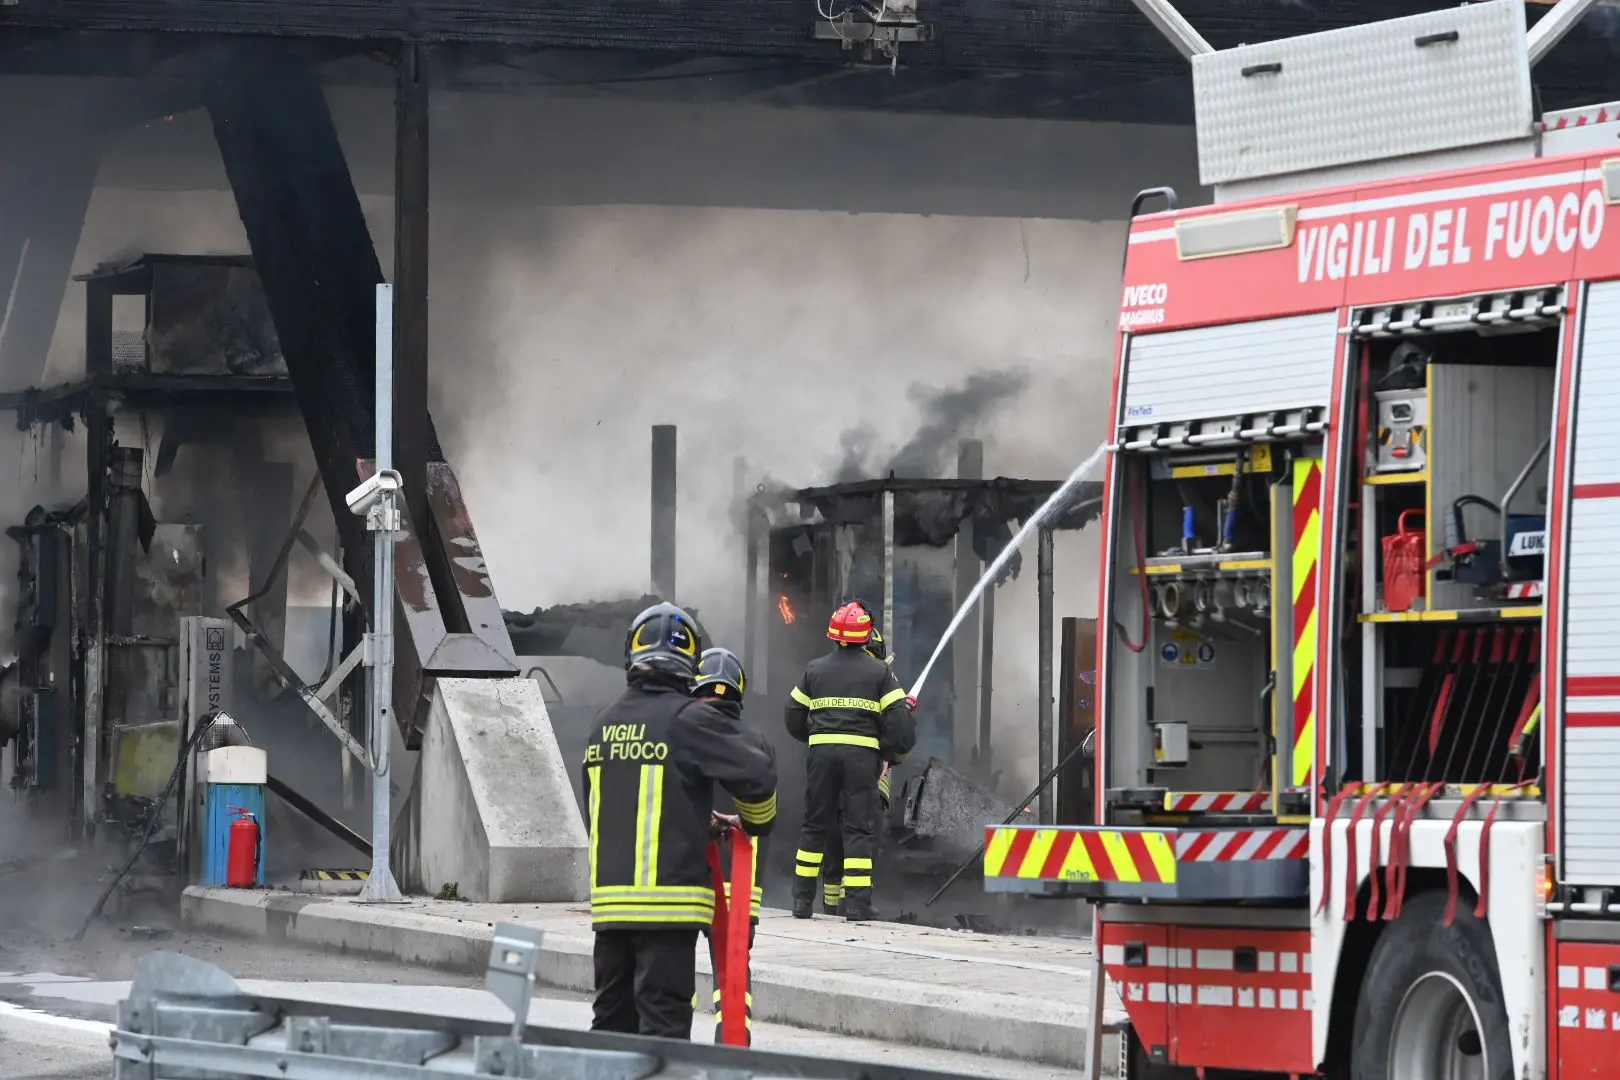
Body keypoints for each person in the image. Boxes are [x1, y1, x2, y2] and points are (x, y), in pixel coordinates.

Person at [585, 603, 778, 1040]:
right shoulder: (689, 720)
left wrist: (690, 817)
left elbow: (605, 808)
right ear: (688, 662)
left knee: (610, 1029)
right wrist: (753, 823)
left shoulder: (602, 725)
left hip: (610, 911)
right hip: (667, 913)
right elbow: (759, 776)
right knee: (663, 1030)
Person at [785, 601, 915, 921]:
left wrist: (815, 738)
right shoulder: (880, 672)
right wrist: (883, 751)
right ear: (865, 635)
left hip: (821, 757)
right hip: (860, 760)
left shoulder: (815, 670)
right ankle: (857, 904)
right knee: (858, 827)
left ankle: (802, 900)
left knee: (815, 825)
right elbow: (899, 725)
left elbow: (792, 714)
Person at [692, 646, 772, 1045]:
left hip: (685, 881)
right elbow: (766, 821)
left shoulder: (679, 732)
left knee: (667, 973)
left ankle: (665, 1052)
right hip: (740, 888)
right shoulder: (755, 741)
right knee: (734, 976)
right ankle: (733, 1054)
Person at [819, 619, 899, 916]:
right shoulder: (881, 679)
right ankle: (853, 904)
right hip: (867, 781)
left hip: (829, 776)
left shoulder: (828, 677)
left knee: (833, 841)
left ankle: (828, 906)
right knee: (859, 839)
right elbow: (900, 733)